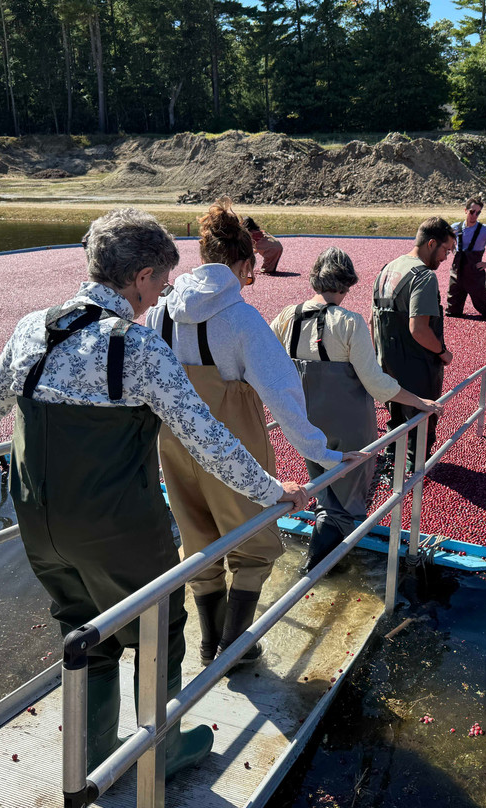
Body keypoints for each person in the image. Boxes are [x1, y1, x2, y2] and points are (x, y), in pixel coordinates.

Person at [0, 209, 310, 778]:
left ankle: (93, 755)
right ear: (140, 276)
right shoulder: (135, 348)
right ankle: (157, 750)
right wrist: (273, 491)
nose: (161, 292)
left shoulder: (32, 327)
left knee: (84, 626)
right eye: (160, 281)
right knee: (157, 623)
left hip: (40, 522)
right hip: (118, 526)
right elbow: (208, 441)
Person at [146, 199, 366, 669]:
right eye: (251, 271)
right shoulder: (241, 319)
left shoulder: (159, 312)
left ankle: (209, 643)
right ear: (244, 263)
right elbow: (283, 394)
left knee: (197, 537)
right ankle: (235, 647)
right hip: (232, 442)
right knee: (254, 542)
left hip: (173, 439)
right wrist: (324, 453)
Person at [271, 247, 443, 572]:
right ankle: (316, 570)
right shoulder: (348, 322)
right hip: (349, 424)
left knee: (324, 492)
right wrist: (420, 402)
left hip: (306, 423)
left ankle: (318, 562)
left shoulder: (287, 317)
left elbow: (268, 365)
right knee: (346, 503)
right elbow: (375, 382)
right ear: (346, 282)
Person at [371, 216, 455, 472]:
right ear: (431, 243)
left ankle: (391, 461)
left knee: (395, 415)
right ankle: (413, 472)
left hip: (386, 362)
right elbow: (418, 328)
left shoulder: (389, 268)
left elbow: (373, 318)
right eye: (445, 250)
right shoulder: (424, 276)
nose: (446, 257)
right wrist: (443, 353)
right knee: (421, 419)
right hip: (416, 366)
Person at [446, 197, 486, 320]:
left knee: (485, 308)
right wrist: (450, 248)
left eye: (478, 213)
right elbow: (445, 242)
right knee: (452, 311)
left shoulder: (485, 230)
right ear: (465, 210)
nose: (475, 215)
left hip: (474, 273)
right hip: (457, 273)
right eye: (472, 211)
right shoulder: (455, 228)